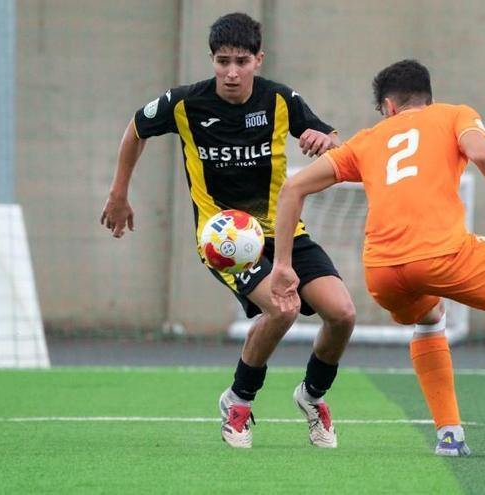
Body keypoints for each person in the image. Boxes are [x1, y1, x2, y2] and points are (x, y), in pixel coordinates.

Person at [269, 59, 485, 456]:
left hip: (381, 272)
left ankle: (450, 435)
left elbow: (293, 188)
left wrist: (283, 265)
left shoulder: (367, 139)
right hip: (440, 255)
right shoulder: (454, 115)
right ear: (428, 98)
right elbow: (481, 154)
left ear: (388, 106)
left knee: (431, 316)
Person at [100, 13, 355, 449]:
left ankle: (312, 396)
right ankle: (238, 402)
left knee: (343, 314)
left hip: (283, 231)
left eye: (241, 61)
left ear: (259, 59)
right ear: (212, 60)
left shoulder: (280, 100)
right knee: (284, 309)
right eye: (223, 62)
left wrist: (325, 138)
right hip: (226, 239)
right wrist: (119, 193)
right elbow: (135, 129)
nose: (232, 72)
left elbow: (330, 137)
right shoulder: (185, 103)